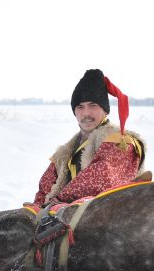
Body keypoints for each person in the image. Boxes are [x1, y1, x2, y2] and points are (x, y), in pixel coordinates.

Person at [32, 69, 146, 208]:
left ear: (104, 110)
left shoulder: (121, 141)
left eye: (93, 105)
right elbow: (45, 189)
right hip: (70, 218)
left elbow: (102, 177)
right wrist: (35, 211)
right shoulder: (65, 153)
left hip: (114, 218)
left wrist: (59, 200)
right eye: (80, 107)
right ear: (75, 112)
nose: (86, 113)